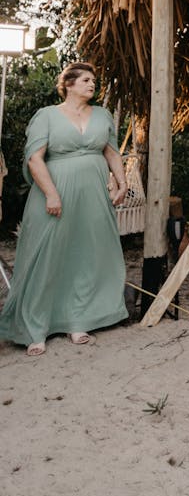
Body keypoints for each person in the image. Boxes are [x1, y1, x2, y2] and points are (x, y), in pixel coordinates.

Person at [0, 62, 129, 356]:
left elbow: (111, 151)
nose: (91, 84)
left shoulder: (101, 115)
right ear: (68, 84)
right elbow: (35, 158)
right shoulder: (47, 116)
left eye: (93, 80)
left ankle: (78, 319)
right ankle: (35, 328)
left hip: (94, 197)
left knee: (87, 256)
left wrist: (121, 182)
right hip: (54, 197)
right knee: (45, 259)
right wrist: (52, 194)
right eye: (85, 79)